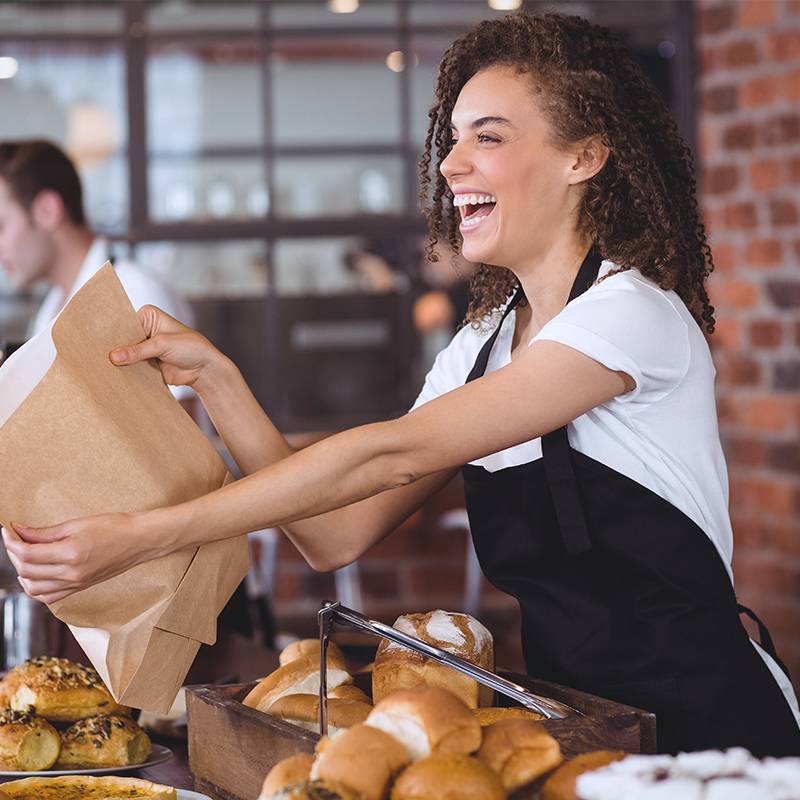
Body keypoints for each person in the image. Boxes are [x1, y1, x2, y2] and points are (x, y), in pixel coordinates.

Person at [3, 13, 799, 755]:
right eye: (453, 139)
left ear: (583, 157)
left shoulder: (633, 315)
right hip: (578, 733)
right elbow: (334, 534)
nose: (452, 164)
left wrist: (143, 535)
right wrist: (220, 378)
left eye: (487, 137)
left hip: (714, 728)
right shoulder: (483, 346)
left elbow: (384, 456)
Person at [0, 140, 193, 402]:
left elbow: (181, 427)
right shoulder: (51, 306)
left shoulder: (132, 292)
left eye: (1, 226)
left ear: (47, 210)